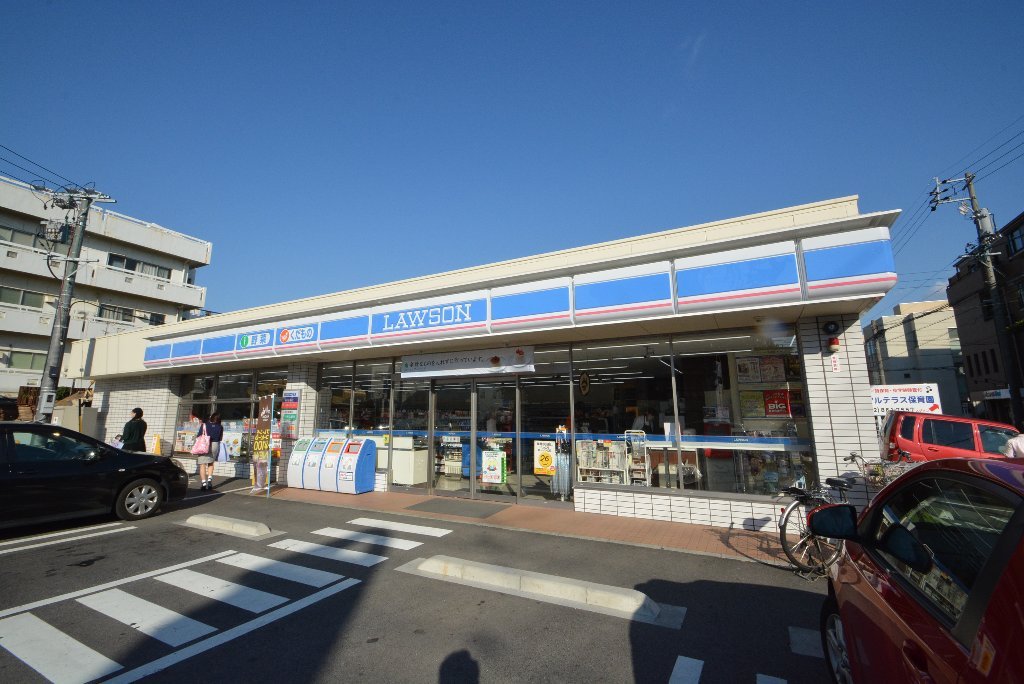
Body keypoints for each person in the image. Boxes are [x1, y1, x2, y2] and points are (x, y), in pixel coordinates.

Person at [198, 412, 223, 490]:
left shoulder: (204, 425)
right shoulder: (220, 426)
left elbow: (199, 435)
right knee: (211, 463)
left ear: (211, 417)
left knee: (202, 464)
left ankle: (204, 483)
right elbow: (220, 438)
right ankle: (209, 480)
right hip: (215, 445)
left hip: (204, 445)